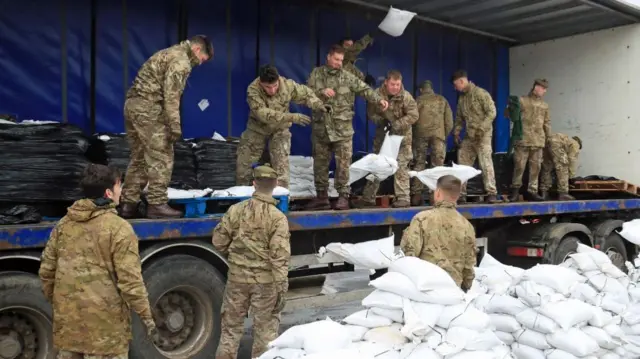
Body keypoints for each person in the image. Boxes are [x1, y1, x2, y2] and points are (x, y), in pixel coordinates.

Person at [39, 164, 157, 359]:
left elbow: (47, 272)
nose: (122, 190)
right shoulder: (119, 229)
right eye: (119, 185)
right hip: (106, 335)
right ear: (109, 193)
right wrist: (147, 316)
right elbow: (130, 282)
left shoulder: (63, 225)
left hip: (69, 328)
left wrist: (63, 304)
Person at [120, 35, 214, 219]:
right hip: (149, 108)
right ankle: (157, 204)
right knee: (162, 155)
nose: (200, 64)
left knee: (139, 157)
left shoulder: (167, 53)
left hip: (133, 105)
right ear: (196, 50)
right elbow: (172, 96)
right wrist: (175, 126)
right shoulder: (181, 62)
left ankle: (128, 205)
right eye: (202, 59)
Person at [212, 164, 291, 359]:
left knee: (230, 331)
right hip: (265, 283)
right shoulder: (278, 218)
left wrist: (237, 256)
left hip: (237, 280)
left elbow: (218, 242)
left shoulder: (235, 210)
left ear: (254, 184)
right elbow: (280, 257)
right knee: (265, 334)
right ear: (275, 185)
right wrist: (281, 288)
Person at [305, 44, 389, 211]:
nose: (339, 63)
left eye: (341, 60)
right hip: (322, 128)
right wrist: (321, 91)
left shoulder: (347, 77)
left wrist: (379, 100)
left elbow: (364, 89)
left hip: (342, 130)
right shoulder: (316, 74)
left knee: (343, 164)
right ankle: (322, 197)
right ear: (328, 57)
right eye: (336, 59)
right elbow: (306, 93)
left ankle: (343, 196)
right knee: (320, 164)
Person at [236, 64, 328, 189]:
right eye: (268, 87)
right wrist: (291, 117)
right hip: (257, 129)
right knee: (244, 166)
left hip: (280, 130)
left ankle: (282, 200)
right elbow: (262, 114)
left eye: (275, 86)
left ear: (278, 79)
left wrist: (319, 105)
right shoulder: (253, 89)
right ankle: (244, 201)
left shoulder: (287, 85)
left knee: (281, 167)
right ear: (260, 83)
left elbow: (306, 94)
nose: (272, 90)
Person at [399, 175, 476, 291]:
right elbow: (469, 265)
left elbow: (409, 255)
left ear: (438, 192)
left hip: (426, 289)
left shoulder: (422, 219)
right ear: (457, 196)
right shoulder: (467, 226)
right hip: (453, 290)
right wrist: (465, 287)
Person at [358, 70, 419, 208]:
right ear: (386, 82)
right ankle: (368, 198)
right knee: (377, 164)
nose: (396, 87)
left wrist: (397, 124)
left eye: (398, 84)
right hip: (383, 137)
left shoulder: (406, 97)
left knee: (401, 165)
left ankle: (403, 198)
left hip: (402, 138)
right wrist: (382, 122)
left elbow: (414, 115)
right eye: (393, 84)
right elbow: (371, 113)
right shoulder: (377, 96)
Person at [452, 70, 499, 204]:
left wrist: (482, 128)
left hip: (483, 135)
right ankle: (461, 194)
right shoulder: (462, 98)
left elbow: (492, 112)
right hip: (469, 136)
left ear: (462, 81)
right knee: (462, 163)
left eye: (456, 85)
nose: (455, 88)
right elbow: (459, 117)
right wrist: (456, 132)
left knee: (485, 162)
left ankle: (491, 193)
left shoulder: (480, 93)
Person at [507, 79, 550, 202]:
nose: (541, 90)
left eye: (543, 89)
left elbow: (547, 122)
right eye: (539, 87)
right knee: (519, 166)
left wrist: (548, 138)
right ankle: (515, 191)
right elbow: (510, 116)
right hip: (523, 139)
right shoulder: (522, 101)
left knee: (535, 167)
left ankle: (533, 191)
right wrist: (511, 107)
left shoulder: (545, 105)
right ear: (534, 87)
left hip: (538, 140)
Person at [411, 80, 453, 206]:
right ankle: (435, 196)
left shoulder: (417, 100)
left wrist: (414, 136)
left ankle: (416, 195)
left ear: (421, 89)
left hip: (420, 135)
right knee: (437, 166)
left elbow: (412, 119)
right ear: (431, 88)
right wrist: (444, 135)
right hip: (438, 135)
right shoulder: (442, 99)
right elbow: (449, 121)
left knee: (419, 164)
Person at [539, 133, 582, 201]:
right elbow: (572, 160)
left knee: (546, 168)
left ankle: (544, 193)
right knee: (562, 166)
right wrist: (571, 177)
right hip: (556, 143)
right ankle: (563, 193)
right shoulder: (575, 144)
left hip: (546, 141)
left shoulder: (567, 139)